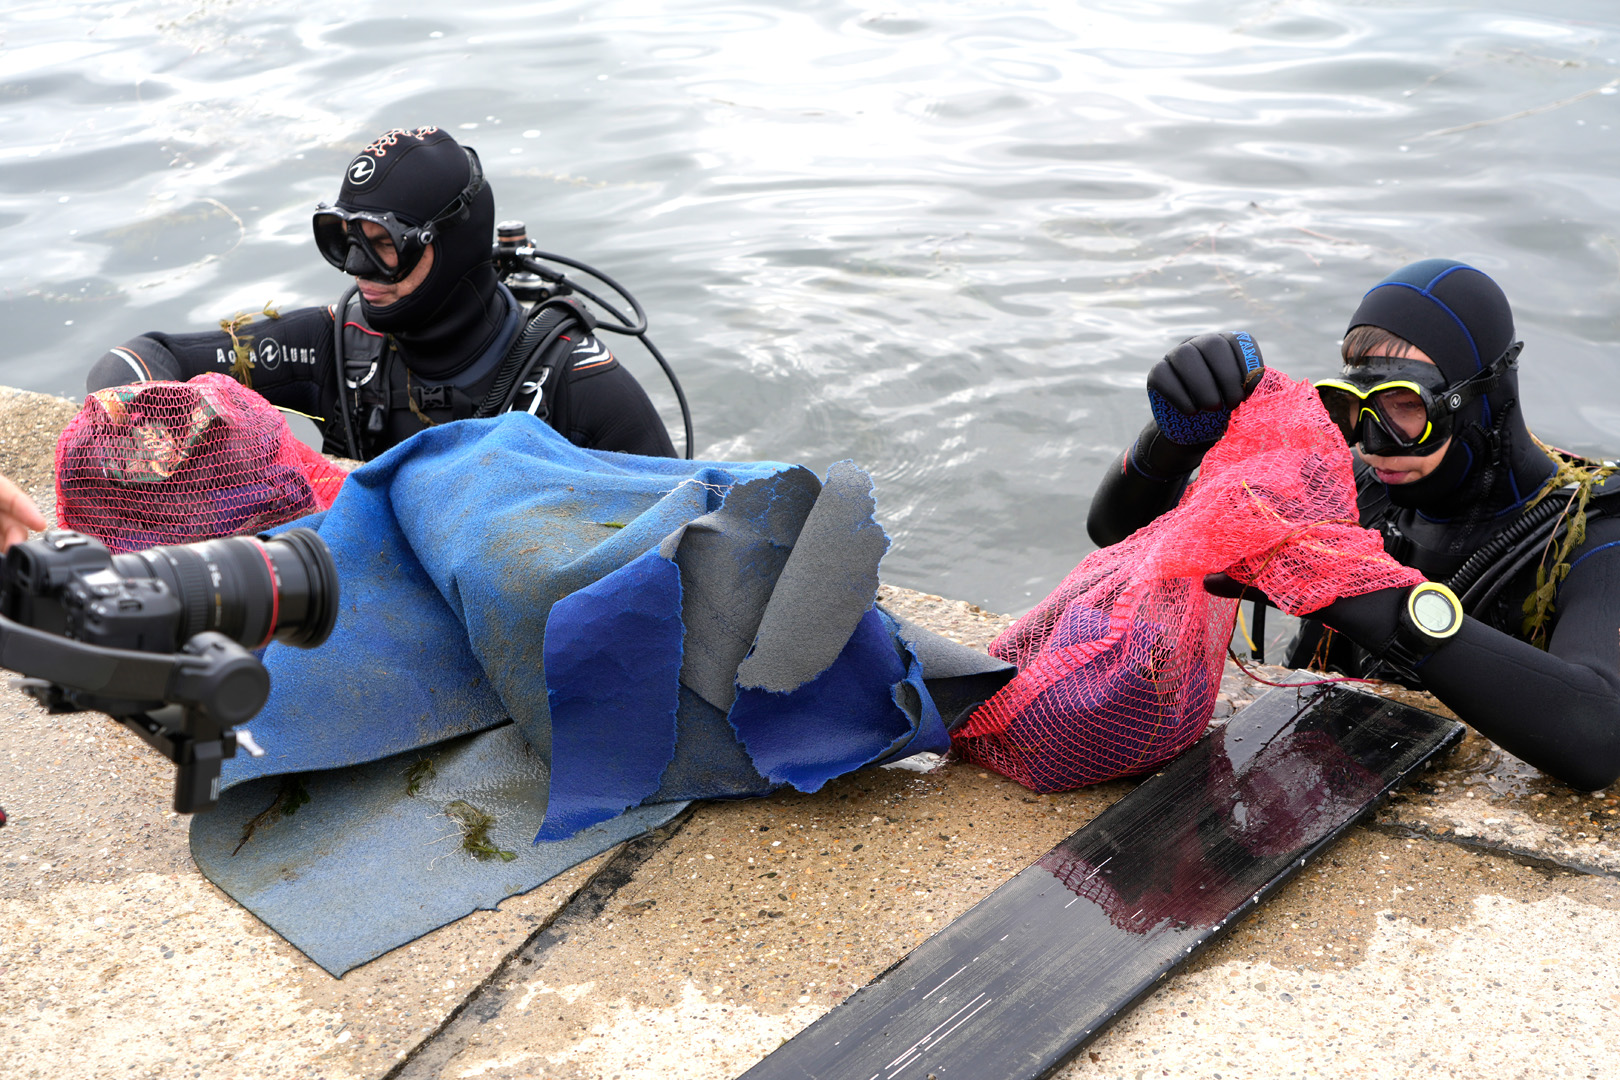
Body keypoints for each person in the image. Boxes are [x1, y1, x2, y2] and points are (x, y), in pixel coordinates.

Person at [1087, 259, 1620, 791]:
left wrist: (1344, 589)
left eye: (1405, 405)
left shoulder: (1597, 536)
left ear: (1484, 398)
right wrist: (1173, 439)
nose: (1371, 442)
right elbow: (1123, 537)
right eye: (1352, 405)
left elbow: (1599, 740)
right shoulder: (1349, 484)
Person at [86, 126, 676, 461]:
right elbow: (142, 357)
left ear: (451, 244)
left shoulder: (578, 387)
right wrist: (142, 419)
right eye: (344, 240)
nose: (357, 270)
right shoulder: (338, 350)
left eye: (385, 245)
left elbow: (680, 544)